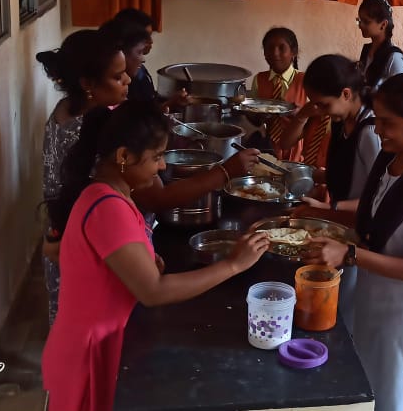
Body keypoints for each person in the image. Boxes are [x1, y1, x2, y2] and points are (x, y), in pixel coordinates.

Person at [41, 101, 269, 411]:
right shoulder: (107, 207)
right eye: (157, 157)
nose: (163, 166)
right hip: (88, 353)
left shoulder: (115, 194)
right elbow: (153, 291)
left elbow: (115, 266)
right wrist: (234, 264)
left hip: (102, 343)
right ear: (123, 157)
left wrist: (145, 262)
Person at [305, 73, 403, 411]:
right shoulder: (391, 161)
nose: (377, 130)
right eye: (376, 119)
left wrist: (349, 254)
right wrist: (319, 220)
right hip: (376, 302)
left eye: (387, 123)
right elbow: (372, 223)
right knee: (375, 390)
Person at [37, 29, 131, 326]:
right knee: (87, 330)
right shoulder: (93, 131)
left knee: (69, 324)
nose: (127, 80)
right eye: (118, 77)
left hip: (64, 237)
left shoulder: (65, 110)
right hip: (84, 245)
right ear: (88, 84)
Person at [289, 54, 382, 335]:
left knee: (349, 308)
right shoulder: (343, 120)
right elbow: (344, 171)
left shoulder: (371, 132)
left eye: (323, 104)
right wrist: (311, 175)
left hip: (361, 231)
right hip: (342, 223)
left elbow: (377, 196)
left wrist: (330, 207)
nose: (320, 110)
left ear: (346, 93)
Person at [249, 27, 329, 167]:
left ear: (294, 52)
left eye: (281, 48)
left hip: (297, 148)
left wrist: (300, 114)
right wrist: (258, 115)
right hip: (266, 147)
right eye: (269, 48)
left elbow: (316, 119)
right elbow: (254, 118)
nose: (275, 53)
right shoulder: (259, 79)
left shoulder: (306, 81)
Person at [356, 0, 403, 91]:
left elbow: (401, 97)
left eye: (366, 22)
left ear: (383, 24)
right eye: (359, 21)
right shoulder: (367, 50)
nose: (360, 25)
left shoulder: (394, 58)